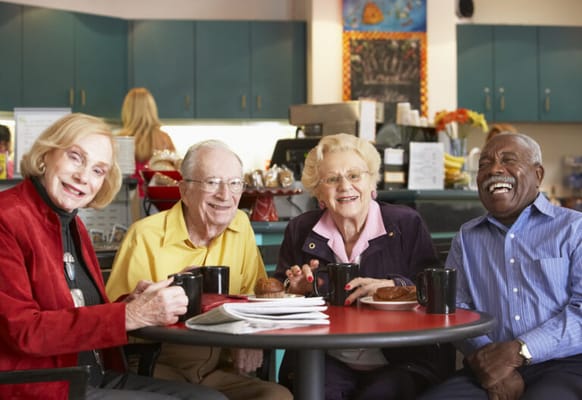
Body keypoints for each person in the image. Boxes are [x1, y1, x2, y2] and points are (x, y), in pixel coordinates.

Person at [0, 113, 226, 400]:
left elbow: (75, 308)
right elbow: (24, 331)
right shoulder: (6, 218)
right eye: (75, 157)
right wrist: (128, 316)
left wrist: (131, 303)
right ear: (46, 154)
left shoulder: (72, 224)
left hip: (91, 376)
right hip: (42, 386)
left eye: (98, 170)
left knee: (210, 398)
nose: (83, 177)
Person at [106, 140, 292, 400]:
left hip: (220, 367)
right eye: (212, 182)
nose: (225, 195)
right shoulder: (145, 236)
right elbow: (117, 319)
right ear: (184, 190)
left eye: (235, 183)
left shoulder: (240, 225)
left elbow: (255, 298)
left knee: (277, 396)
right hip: (159, 365)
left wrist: (251, 339)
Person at [272, 133, 452, 400]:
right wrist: (293, 290)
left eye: (355, 176)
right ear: (319, 193)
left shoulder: (405, 224)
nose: (345, 186)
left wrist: (395, 286)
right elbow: (276, 294)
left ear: (371, 183)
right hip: (325, 357)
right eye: (332, 179)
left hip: (401, 360)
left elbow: (438, 291)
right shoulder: (301, 229)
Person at [420, 133, 582, 400]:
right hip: (488, 364)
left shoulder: (574, 228)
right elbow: (456, 309)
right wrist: (490, 364)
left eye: (508, 160)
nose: (494, 169)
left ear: (538, 174)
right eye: (484, 164)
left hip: (566, 363)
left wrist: (519, 351)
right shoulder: (467, 237)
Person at [118, 87, 176, 211]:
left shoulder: (122, 140)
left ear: (127, 110)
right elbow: (173, 177)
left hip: (127, 202)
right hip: (157, 203)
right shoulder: (164, 139)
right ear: (152, 109)